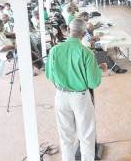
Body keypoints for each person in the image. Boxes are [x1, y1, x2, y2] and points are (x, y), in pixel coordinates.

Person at [46, 18, 107, 160]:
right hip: (80, 97)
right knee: (86, 136)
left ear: (67, 30)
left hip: (61, 96)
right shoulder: (86, 53)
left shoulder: (55, 50)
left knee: (65, 136)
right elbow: (93, 83)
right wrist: (100, 70)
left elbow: (49, 75)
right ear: (84, 33)